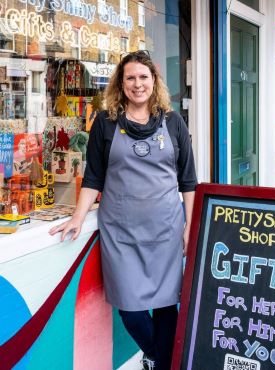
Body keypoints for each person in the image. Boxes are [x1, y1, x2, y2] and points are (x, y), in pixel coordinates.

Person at [49, 50, 197, 370]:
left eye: (143, 77)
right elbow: (94, 177)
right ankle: (161, 356)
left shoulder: (174, 123)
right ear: (120, 83)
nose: (137, 84)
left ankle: (161, 363)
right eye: (130, 77)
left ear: (154, 82)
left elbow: (188, 181)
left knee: (166, 305)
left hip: (166, 231)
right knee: (130, 309)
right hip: (121, 232)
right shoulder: (105, 122)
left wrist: (189, 225)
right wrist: (77, 216)